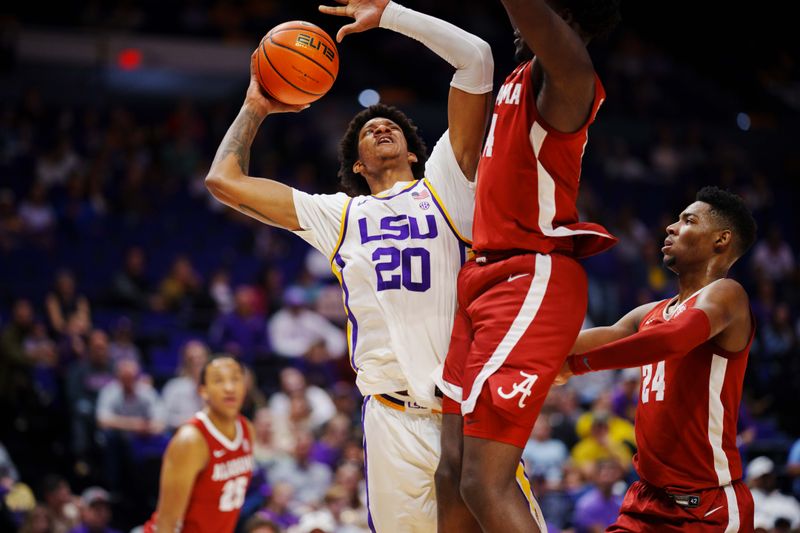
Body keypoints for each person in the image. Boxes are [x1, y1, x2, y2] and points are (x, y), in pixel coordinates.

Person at [205, 0, 493, 529]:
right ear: (357, 165)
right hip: (391, 419)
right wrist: (256, 105)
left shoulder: (449, 187)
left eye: (392, 126)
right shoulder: (340, 215)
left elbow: (476, 59)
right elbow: (224, 181)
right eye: (368, 129)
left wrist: (390, 15)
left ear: (414, 152)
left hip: (466, 412)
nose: (381, 127)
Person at [432, 0, 621, 531]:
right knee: (449, 473)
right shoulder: (518, 76)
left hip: (529, 274)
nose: (518, 25)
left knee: (482, 481)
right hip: (481, 278)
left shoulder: (572, 78)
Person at [557, 186, 758, 530]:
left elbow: (673, 340)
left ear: (721, 240)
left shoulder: (728, 295)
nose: (671, 227)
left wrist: (576, 367)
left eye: (688, 220)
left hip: (706, 507)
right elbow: (573, 343)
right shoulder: (650, 313)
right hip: (646, 501)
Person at [144, 356, 255, 533]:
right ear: (203, 391)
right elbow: (166, 524)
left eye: (235, 379)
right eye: (218, 380)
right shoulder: (190, 440)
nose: (229, 388)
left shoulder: (247, 429)